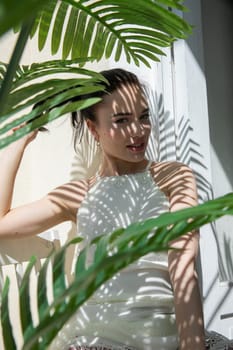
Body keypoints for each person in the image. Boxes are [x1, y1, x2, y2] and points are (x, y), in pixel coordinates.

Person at [0, 68, 205, 350]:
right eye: (121, 120)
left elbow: (183, 264)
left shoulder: (173, 176)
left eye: (143, 117)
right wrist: (20, 141)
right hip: (92, 340)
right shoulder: (79, 193)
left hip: (159, 338)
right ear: (93, 128)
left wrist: (192, 345)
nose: (138, 130)